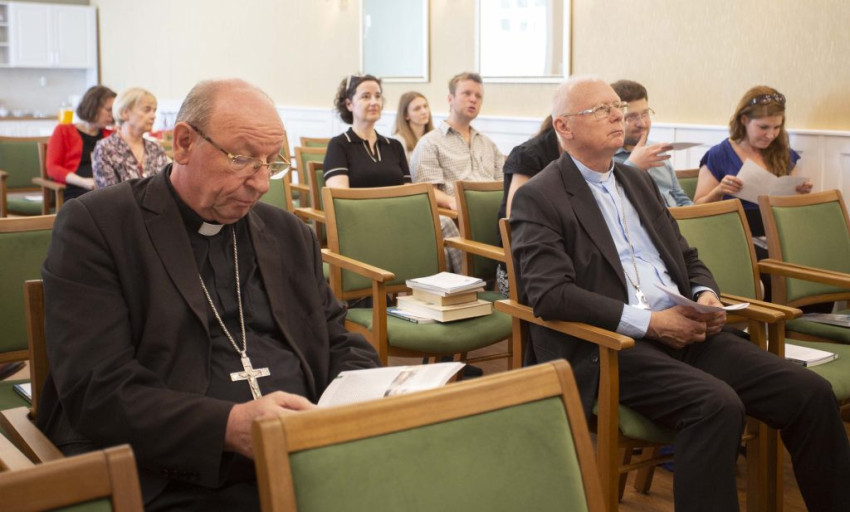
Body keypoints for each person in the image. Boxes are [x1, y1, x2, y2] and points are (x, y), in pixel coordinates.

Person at [509, 76, 850, 512]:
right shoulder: (540, 196)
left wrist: (706, 295)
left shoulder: (637, 181)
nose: (618, 116)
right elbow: (550, 295)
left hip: (687, 328)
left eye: (617, 107)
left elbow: (686, 257)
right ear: (564, 126)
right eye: (601, 110)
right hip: (614, 346)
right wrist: (651, 323)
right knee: (715, 405)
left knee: (810, 392)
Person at [37, 78, 381, 511]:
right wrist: (229, 426)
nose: (261, 183)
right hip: (171, 474)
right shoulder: (99, 226)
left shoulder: (288, 234)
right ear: (183, 143)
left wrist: (356, 401)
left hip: (304, 454)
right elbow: (97, 386)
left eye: (271, 163)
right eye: (244, 160)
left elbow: (336, 339)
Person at [411, 72, 505, 272]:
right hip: (458, 219)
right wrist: (452, 202)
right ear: (450, 99)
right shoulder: (430, 142)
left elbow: (503, 185)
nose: (473, 99)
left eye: (478, 96)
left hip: (495, 219)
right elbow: (426, 190)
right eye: (466, 93)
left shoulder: (488, 144)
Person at [694, 85, 812, 237]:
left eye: (777, 127)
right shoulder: (719, 154)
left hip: (779, 235)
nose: (771, 135)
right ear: (744, 120)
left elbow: (790, 212)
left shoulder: (785, 155)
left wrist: (799, 194)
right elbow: (697, 208)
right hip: (733, 236)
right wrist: (719, 191)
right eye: (763, 127)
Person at [494, 115, 561, 296]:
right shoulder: (528, 154)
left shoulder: (589, 160)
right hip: (526, 264)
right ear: (564, 125)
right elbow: (516, 221)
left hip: (560, 258)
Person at [610, 79, 693, 207]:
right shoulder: (605, 161)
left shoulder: (658, 150)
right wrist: (633, 167)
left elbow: (681, 199)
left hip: (677, 218)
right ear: (616, 119)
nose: (642, 123)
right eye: (631, 117)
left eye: (645, 114)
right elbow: (614, 207)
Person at [323, 75, 410, 188]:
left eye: (378, 96)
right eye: (365, 97)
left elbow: (408, 191)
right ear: (349, 104)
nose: (374, 102)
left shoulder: (395, 146)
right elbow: (339, 194)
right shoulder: (338, 145)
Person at [45, 85, 116, 201]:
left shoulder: (112, 135)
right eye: (108, 110)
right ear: (93, 107)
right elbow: (52, 168)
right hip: (75, 189)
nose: (112, 115)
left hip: (103, 189)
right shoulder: (63, 131)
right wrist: (84, 182)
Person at [93, 87, 169, 189]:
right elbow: (108, 194)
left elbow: (164, 187)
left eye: (154, 110)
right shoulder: (105, 148)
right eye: (147, 110)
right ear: (125, 113)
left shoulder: (156, 148)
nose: (153, 116)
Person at [393, 91, 434, 161]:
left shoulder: (434, 135)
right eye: (417, 109)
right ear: (406, 115)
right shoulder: (398, 141)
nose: (424, 112)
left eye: (425, 106)